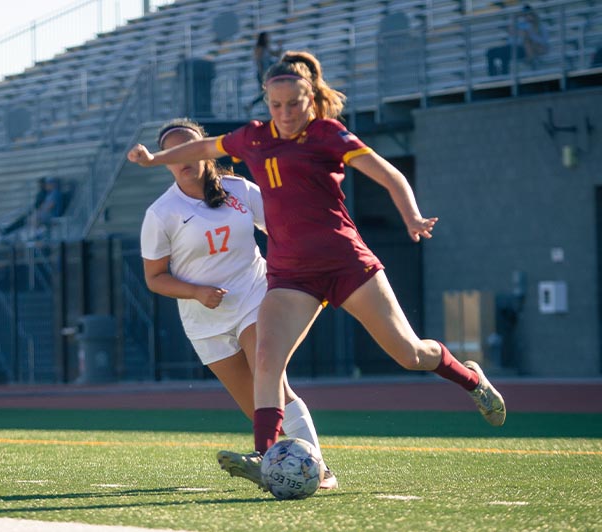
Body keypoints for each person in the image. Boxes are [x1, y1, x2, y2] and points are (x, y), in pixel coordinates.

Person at [128, 51, 506, 491]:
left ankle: (470, 377)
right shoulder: (253, 137)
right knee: (269, 360)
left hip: (347, 264)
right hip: (291, 276)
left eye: (294, 104)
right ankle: (265, 452)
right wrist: (154, 160)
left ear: (313, 98)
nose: (285, 114)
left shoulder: (329, 134)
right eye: (275, 105)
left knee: (409, 354)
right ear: (266, 103)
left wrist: (412, 216)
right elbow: (202, 146)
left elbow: (390, 175)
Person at [137, 117, 336, 490]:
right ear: (164, 160)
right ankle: (280, 468)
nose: (183, 158)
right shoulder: (160, 214)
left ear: (206, 151)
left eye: (188, 148)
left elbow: (283, 228)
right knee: (256, 407)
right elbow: (154, 278)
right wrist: (196, 292)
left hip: (255, 298)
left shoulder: (240, 190)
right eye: (172, 152)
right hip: (204, 321)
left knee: (272, 381)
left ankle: (319, 470)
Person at [486, 4, 548, 76]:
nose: (527, 16)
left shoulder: (540, 26)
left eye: (529, 14)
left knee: (504, 54)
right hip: (512, 47)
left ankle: (503, 75)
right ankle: (495, 76)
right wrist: (515, 19)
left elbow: (543, 41)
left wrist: (530, 35)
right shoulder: (520, 24)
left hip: (524, 49)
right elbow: (511, 37)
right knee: (490, 52)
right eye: (525, 15)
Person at [244, 32, 282, 116]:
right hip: (262, 74)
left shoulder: (266, 47)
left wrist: (279, 46)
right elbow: (258, 62)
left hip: (268, 74)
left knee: (266, 92)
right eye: (267, 37)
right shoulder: (259, 48)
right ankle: (251, 105)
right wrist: (262, 75)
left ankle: (251, 105)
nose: (268, 38)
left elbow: (276, 54)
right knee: (265, 92)